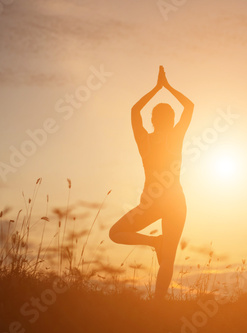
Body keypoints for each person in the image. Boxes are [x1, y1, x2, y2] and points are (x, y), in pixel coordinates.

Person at [109, 66, 194, 299]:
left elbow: (135, 109)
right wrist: (167, 87)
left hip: (154, 203)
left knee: (116, 233)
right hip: (174, 203)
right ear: (172, 120)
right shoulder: (174, 138)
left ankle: (155, 243)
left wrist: (157, 89)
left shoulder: (144, 140)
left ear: (153, 119)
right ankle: (158, 303)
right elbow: (189, 107)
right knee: (168, 258)